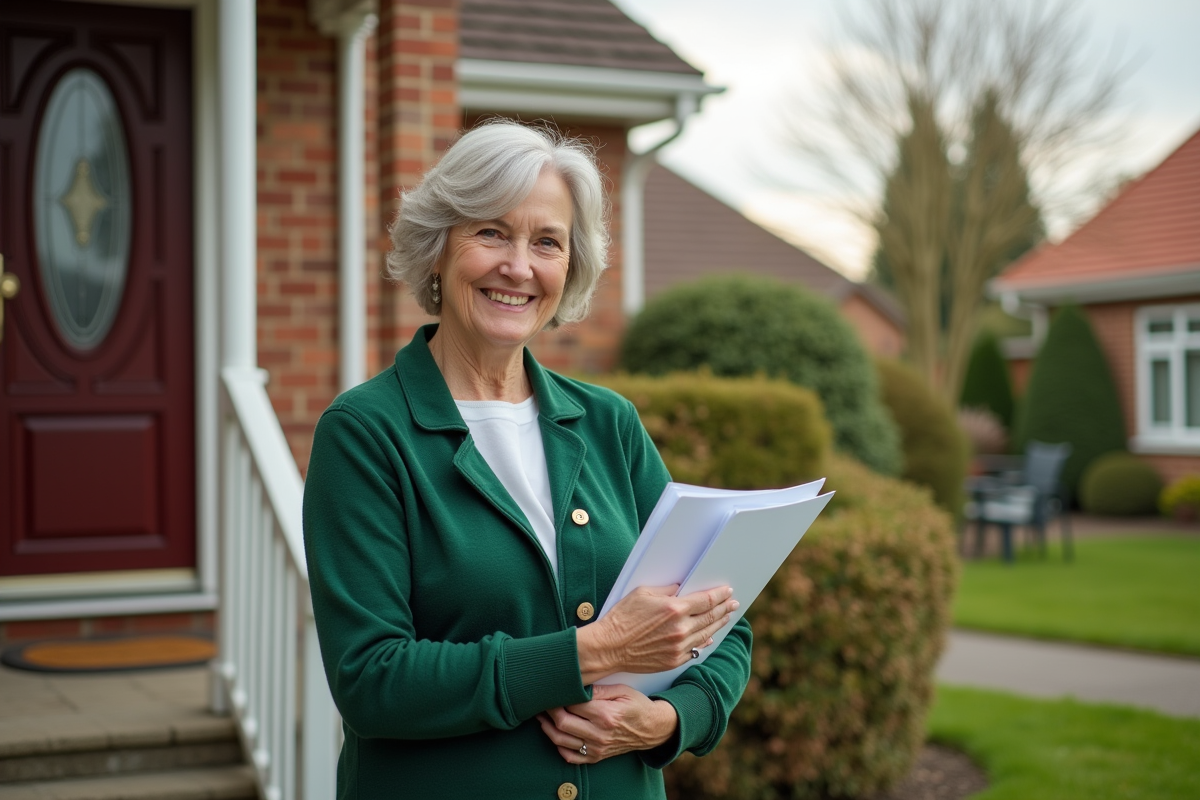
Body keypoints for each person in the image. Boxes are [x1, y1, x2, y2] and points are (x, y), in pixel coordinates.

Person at [302, 121, 752, 799]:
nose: (518, 266)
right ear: (438, 249)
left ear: (570, 268)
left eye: (547, 242)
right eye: (490, 231)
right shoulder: (366, 433)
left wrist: (664, 721)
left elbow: (724, 623)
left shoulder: (610, 424)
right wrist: (596, 652)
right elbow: (371, 679)